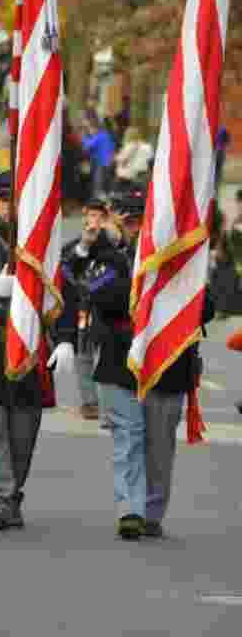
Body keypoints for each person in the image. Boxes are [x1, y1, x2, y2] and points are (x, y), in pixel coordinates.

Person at [85, 190, 214, 540]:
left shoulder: (182, 265)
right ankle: (130, 509)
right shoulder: (110, 258)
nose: (137, 228)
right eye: (129, 222)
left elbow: (207, 308)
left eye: (143, 221)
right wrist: (153, 286)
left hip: (168, 366)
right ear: (119, 226)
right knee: (129, 438)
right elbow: (101, 297)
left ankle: (152, 511)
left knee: (159, 446)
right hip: (121, 366)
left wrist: (173, 280)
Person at [0, 172, 78, 530]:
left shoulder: (45, 253)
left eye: (17, 201)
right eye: (3, 200)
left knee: (22, 436)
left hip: (29, 357)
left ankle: (10, 496)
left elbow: (63, 298)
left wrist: (67, 338)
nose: (10, 208)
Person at [61, 198, 114, 420]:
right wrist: (84, 246)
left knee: (107, 356)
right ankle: (90, 402)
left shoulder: (113, 246)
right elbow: (66, 272)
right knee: (83, 355)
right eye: (91, 216)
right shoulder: (75, 246)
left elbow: (117, 271)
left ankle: (109, 402)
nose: (95, 221)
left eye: (100, 217)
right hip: (83, 310)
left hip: (107, 310)